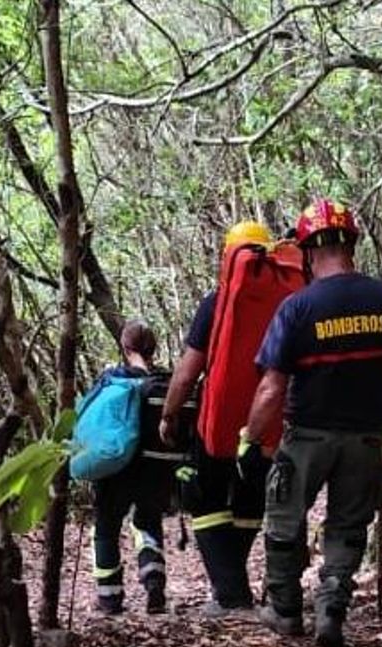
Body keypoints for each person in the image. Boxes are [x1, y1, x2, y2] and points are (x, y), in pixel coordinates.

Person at [239, 198, 382, 647]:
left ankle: (285, 611)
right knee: (348, 525)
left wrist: (250, 437)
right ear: (351, 244)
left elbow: (271, 388)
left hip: (306, 435)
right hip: (365, 437)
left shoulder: (297, 308)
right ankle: (331, 610)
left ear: (307, 250)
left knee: (284, 520)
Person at [159, 220, 278, 617]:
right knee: (249, 498)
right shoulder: (289, 300)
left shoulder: (218, 302)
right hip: (270, 420)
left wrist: (169, 415)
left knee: (204, 497)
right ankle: (233, 586)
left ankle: (230, 595)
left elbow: (188, 371)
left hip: (220, 419)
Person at [91, 319, 179, 615]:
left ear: (124, 348)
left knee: (106, 529)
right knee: (148, 522)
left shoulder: (111, 380)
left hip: (116, 469)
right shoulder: (167, 383)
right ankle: (154, 582)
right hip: (155, 471)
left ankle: (109, 598)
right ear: (153, 349)